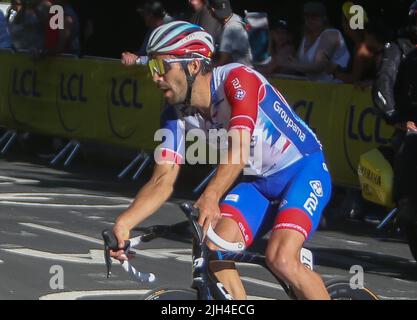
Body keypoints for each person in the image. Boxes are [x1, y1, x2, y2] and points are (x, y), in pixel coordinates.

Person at [110, 21, 332, 300]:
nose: (155, 77)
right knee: (211, 247)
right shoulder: (174, 113)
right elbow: (162, 179)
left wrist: (211, 195)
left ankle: (297, 265)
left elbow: (239, 149)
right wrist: (124, 223)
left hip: (303, 169)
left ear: (192, 66)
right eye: (152, 68)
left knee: (281, 258)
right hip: (260, 183)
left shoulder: (237, 80)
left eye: (161, 67)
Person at [372, 1, 417, 227]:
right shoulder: (399, 48)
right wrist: (394, 117)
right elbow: (383, 83)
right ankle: (406, 205)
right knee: (408, 151)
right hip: (410, 127)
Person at [285, 2, 350, 82]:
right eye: (307, 16)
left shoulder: (331, 34)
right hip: (316, 90)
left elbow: (319, 66)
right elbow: (297, 64)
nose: (310, 19)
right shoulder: (305, 38)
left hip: (338, 89)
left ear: (324, 18)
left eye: (314, 16)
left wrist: (290, 64)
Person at [121, 1, 173, 66]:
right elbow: (142, 53)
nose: (142, 18)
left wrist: (137, 59)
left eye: (143, 14)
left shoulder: (171, 29)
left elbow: (163, 59)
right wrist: (130, 55)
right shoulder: (152, 29)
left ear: (149, 15)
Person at [208, 0, 253, 67]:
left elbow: (223, 60)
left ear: (212, 10)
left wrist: (208, 70)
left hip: (241, 69)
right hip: (248, 66)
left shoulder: (229, 28)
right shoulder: (236, 18)